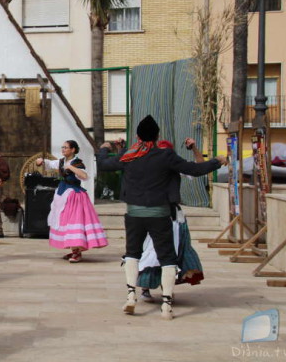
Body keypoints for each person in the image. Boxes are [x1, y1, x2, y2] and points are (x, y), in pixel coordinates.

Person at [96, 115, 226, 320]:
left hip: (134, 213)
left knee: (132, 253)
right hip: (160, 214)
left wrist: (104, 147)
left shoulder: (128, 156)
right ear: (157, 136)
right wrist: (216, 162)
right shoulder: (166, 156)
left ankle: (131, 296)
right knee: (167, 257)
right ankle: (166, 304)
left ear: (138, 136)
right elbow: (195, 169)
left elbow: (103, 163)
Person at [138, 137, 206, 301]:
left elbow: (200, 166)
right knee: (151, 250)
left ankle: (166, 287)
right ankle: (145, 287)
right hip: (153, 214)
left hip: (173, 215)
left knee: (175, 250)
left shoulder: (176, 167)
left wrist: (194, 149)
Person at [36, 140, 108, 263]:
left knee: (74, 222)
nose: (63, 149)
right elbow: (50, 164)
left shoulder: (77, 162)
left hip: (74, 196)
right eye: (62, 147)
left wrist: (71, 167)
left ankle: (77, 251)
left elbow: (84, 176)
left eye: (66, 147)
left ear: (73, 149)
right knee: (65, 221)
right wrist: (41, 161)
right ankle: (74, 249)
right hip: (62, 194)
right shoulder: (61, 161)